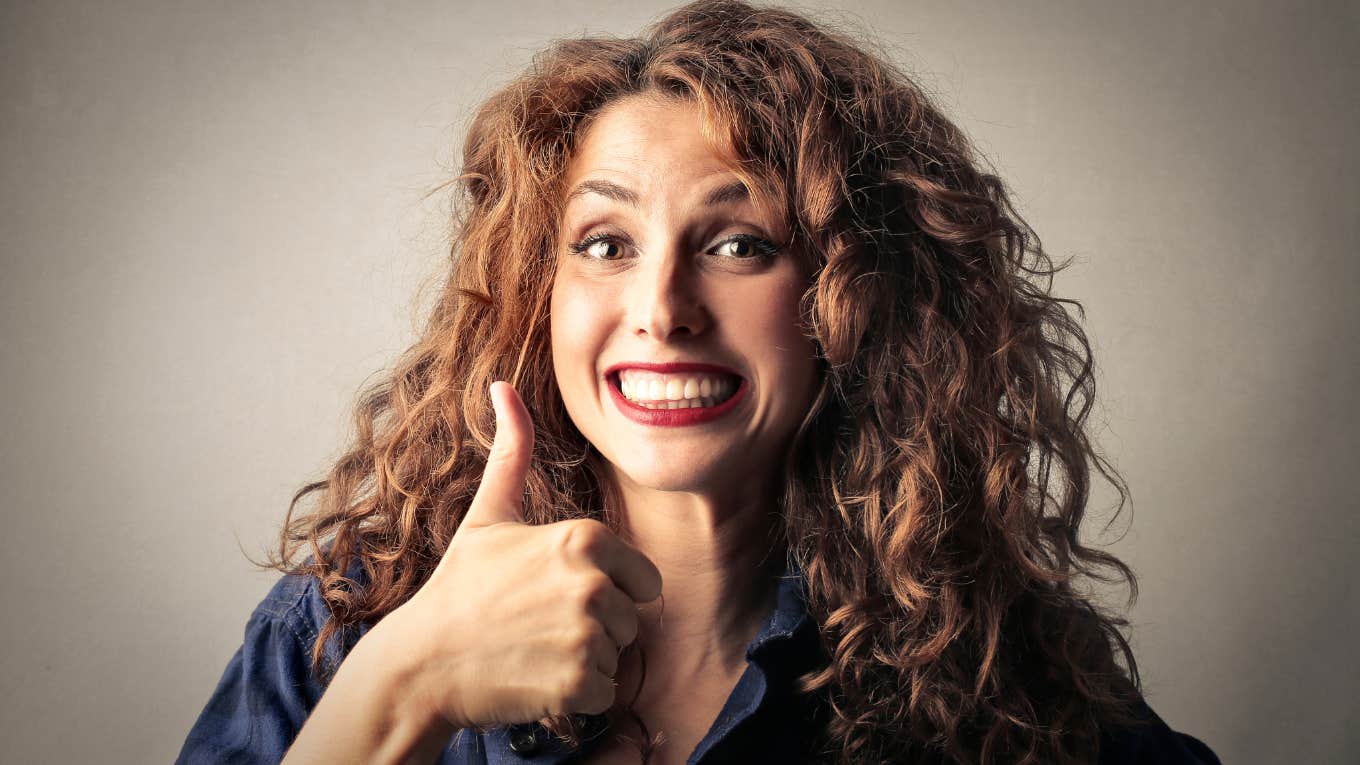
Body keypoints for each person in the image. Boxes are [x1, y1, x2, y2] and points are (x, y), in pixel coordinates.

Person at [176, 2, 1221, 764]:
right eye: (603, 242)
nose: (662, 308)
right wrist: (405, 685)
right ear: (535, 292)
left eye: (736, 245)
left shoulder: (993, 680)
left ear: (851, 298)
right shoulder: (343, 627)